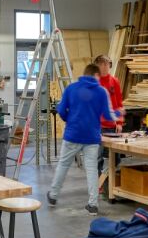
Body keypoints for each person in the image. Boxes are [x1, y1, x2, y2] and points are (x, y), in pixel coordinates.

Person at [47, 63, 115, 215]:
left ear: (85, 74)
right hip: (92, 137)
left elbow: (61, 110)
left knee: (63, 165)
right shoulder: (101, 91)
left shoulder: (71, 88)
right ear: (96, 75)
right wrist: (118, 113)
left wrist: (69, 120)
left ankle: (53, 196)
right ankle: (93, 205)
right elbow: (107, 115)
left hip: (73, 135)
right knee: (91, 170)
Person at [94, 54, 125, 189]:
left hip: (112, 126)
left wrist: (119, 122)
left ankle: (105, 178)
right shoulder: (94, 83)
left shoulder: (114, 82)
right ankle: (97, 184)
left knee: (116, 158)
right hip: (98, 127)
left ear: (110, 66)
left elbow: (119, 103)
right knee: (97, 157)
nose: (104, 67)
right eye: (101, 64)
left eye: (106, 64)